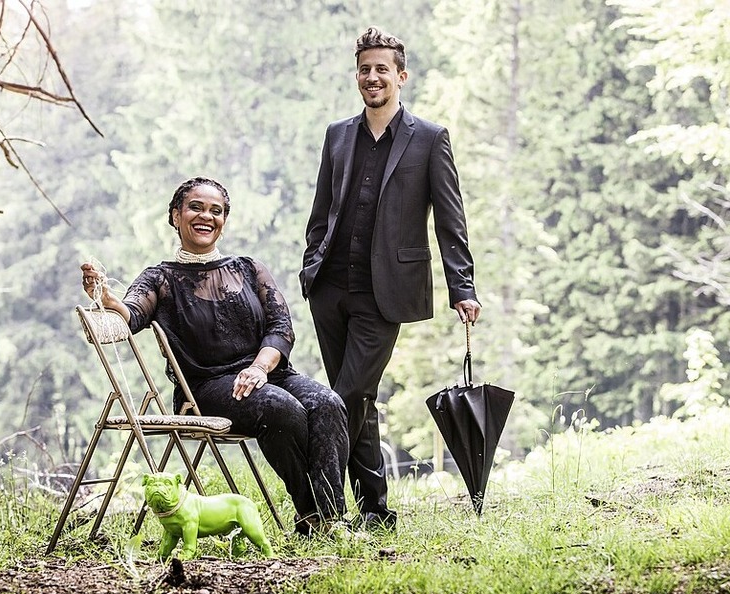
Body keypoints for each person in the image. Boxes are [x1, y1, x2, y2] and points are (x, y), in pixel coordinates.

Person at [82, 176, 349, 536]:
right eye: (196, 207)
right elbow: (131, 316)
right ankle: (312, 516)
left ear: (224, 220)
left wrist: (258, 367)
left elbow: (281, 327)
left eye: (216, 210)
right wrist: (108, 300)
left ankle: (333, 518)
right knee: (279, 407)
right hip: (206, 389)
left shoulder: (248, 268)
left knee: (328, 402)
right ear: (176, 215)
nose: (206, 216)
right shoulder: (160, 278)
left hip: (267, 373)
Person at [300, 27, 482, 531]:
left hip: (386, 295)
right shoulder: (338, 134)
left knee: (343, 396)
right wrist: (310, 263)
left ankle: (319, 507)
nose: (373, 77)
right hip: (330, 289)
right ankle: (376, 510)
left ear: (401, 76)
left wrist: (462, 286)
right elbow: (322, 210)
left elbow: (451, 219)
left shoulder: (429, 138)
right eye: (365, 69)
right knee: (356, 397)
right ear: (356, 75)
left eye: (383, 69)